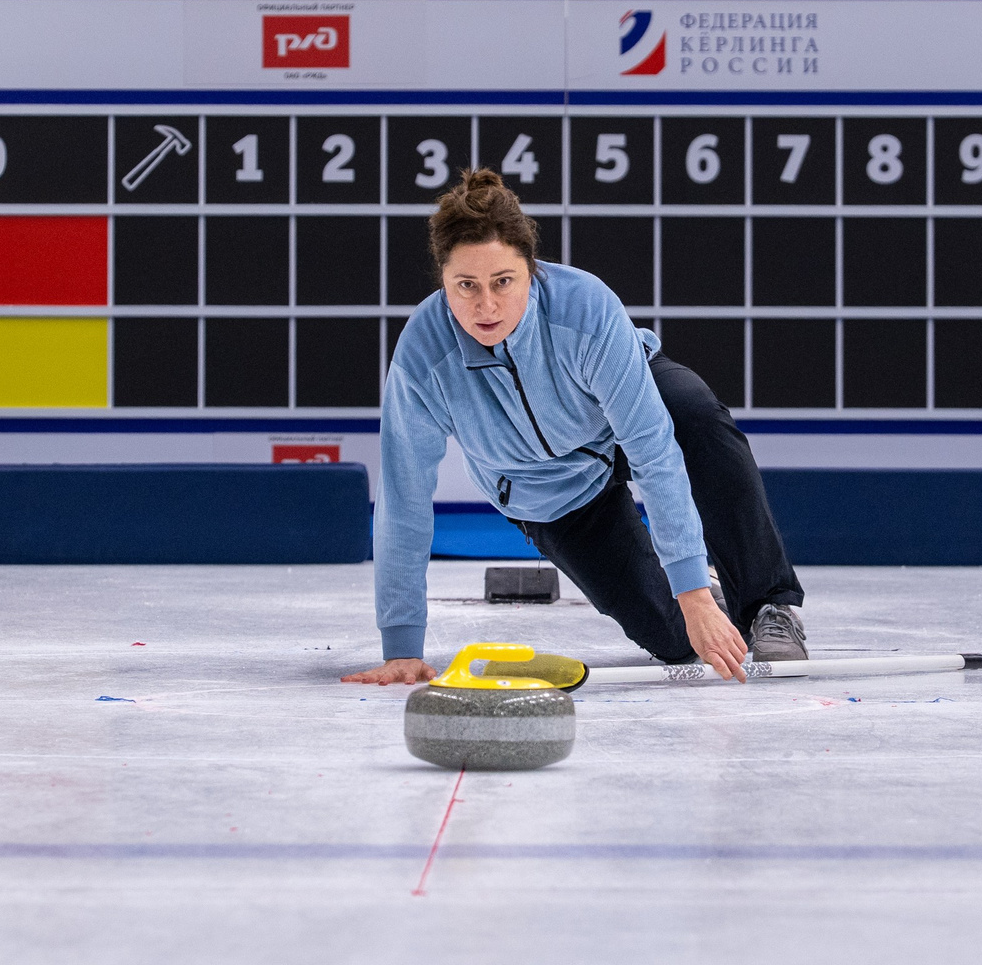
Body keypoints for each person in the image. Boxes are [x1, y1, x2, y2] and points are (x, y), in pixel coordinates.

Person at [343, 170, 807, 686]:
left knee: (693, 415)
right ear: (443, 282)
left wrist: (691, 592)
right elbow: (404, 497)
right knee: (677, 641)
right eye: (466, 286)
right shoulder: (423, 356)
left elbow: (653, 451)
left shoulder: (583, 307)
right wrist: (401, 644)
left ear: (531, 271)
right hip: (549, 493)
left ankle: (771, 606)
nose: (487, 306)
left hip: (613, 426)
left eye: (503, 281)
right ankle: (709, 591)